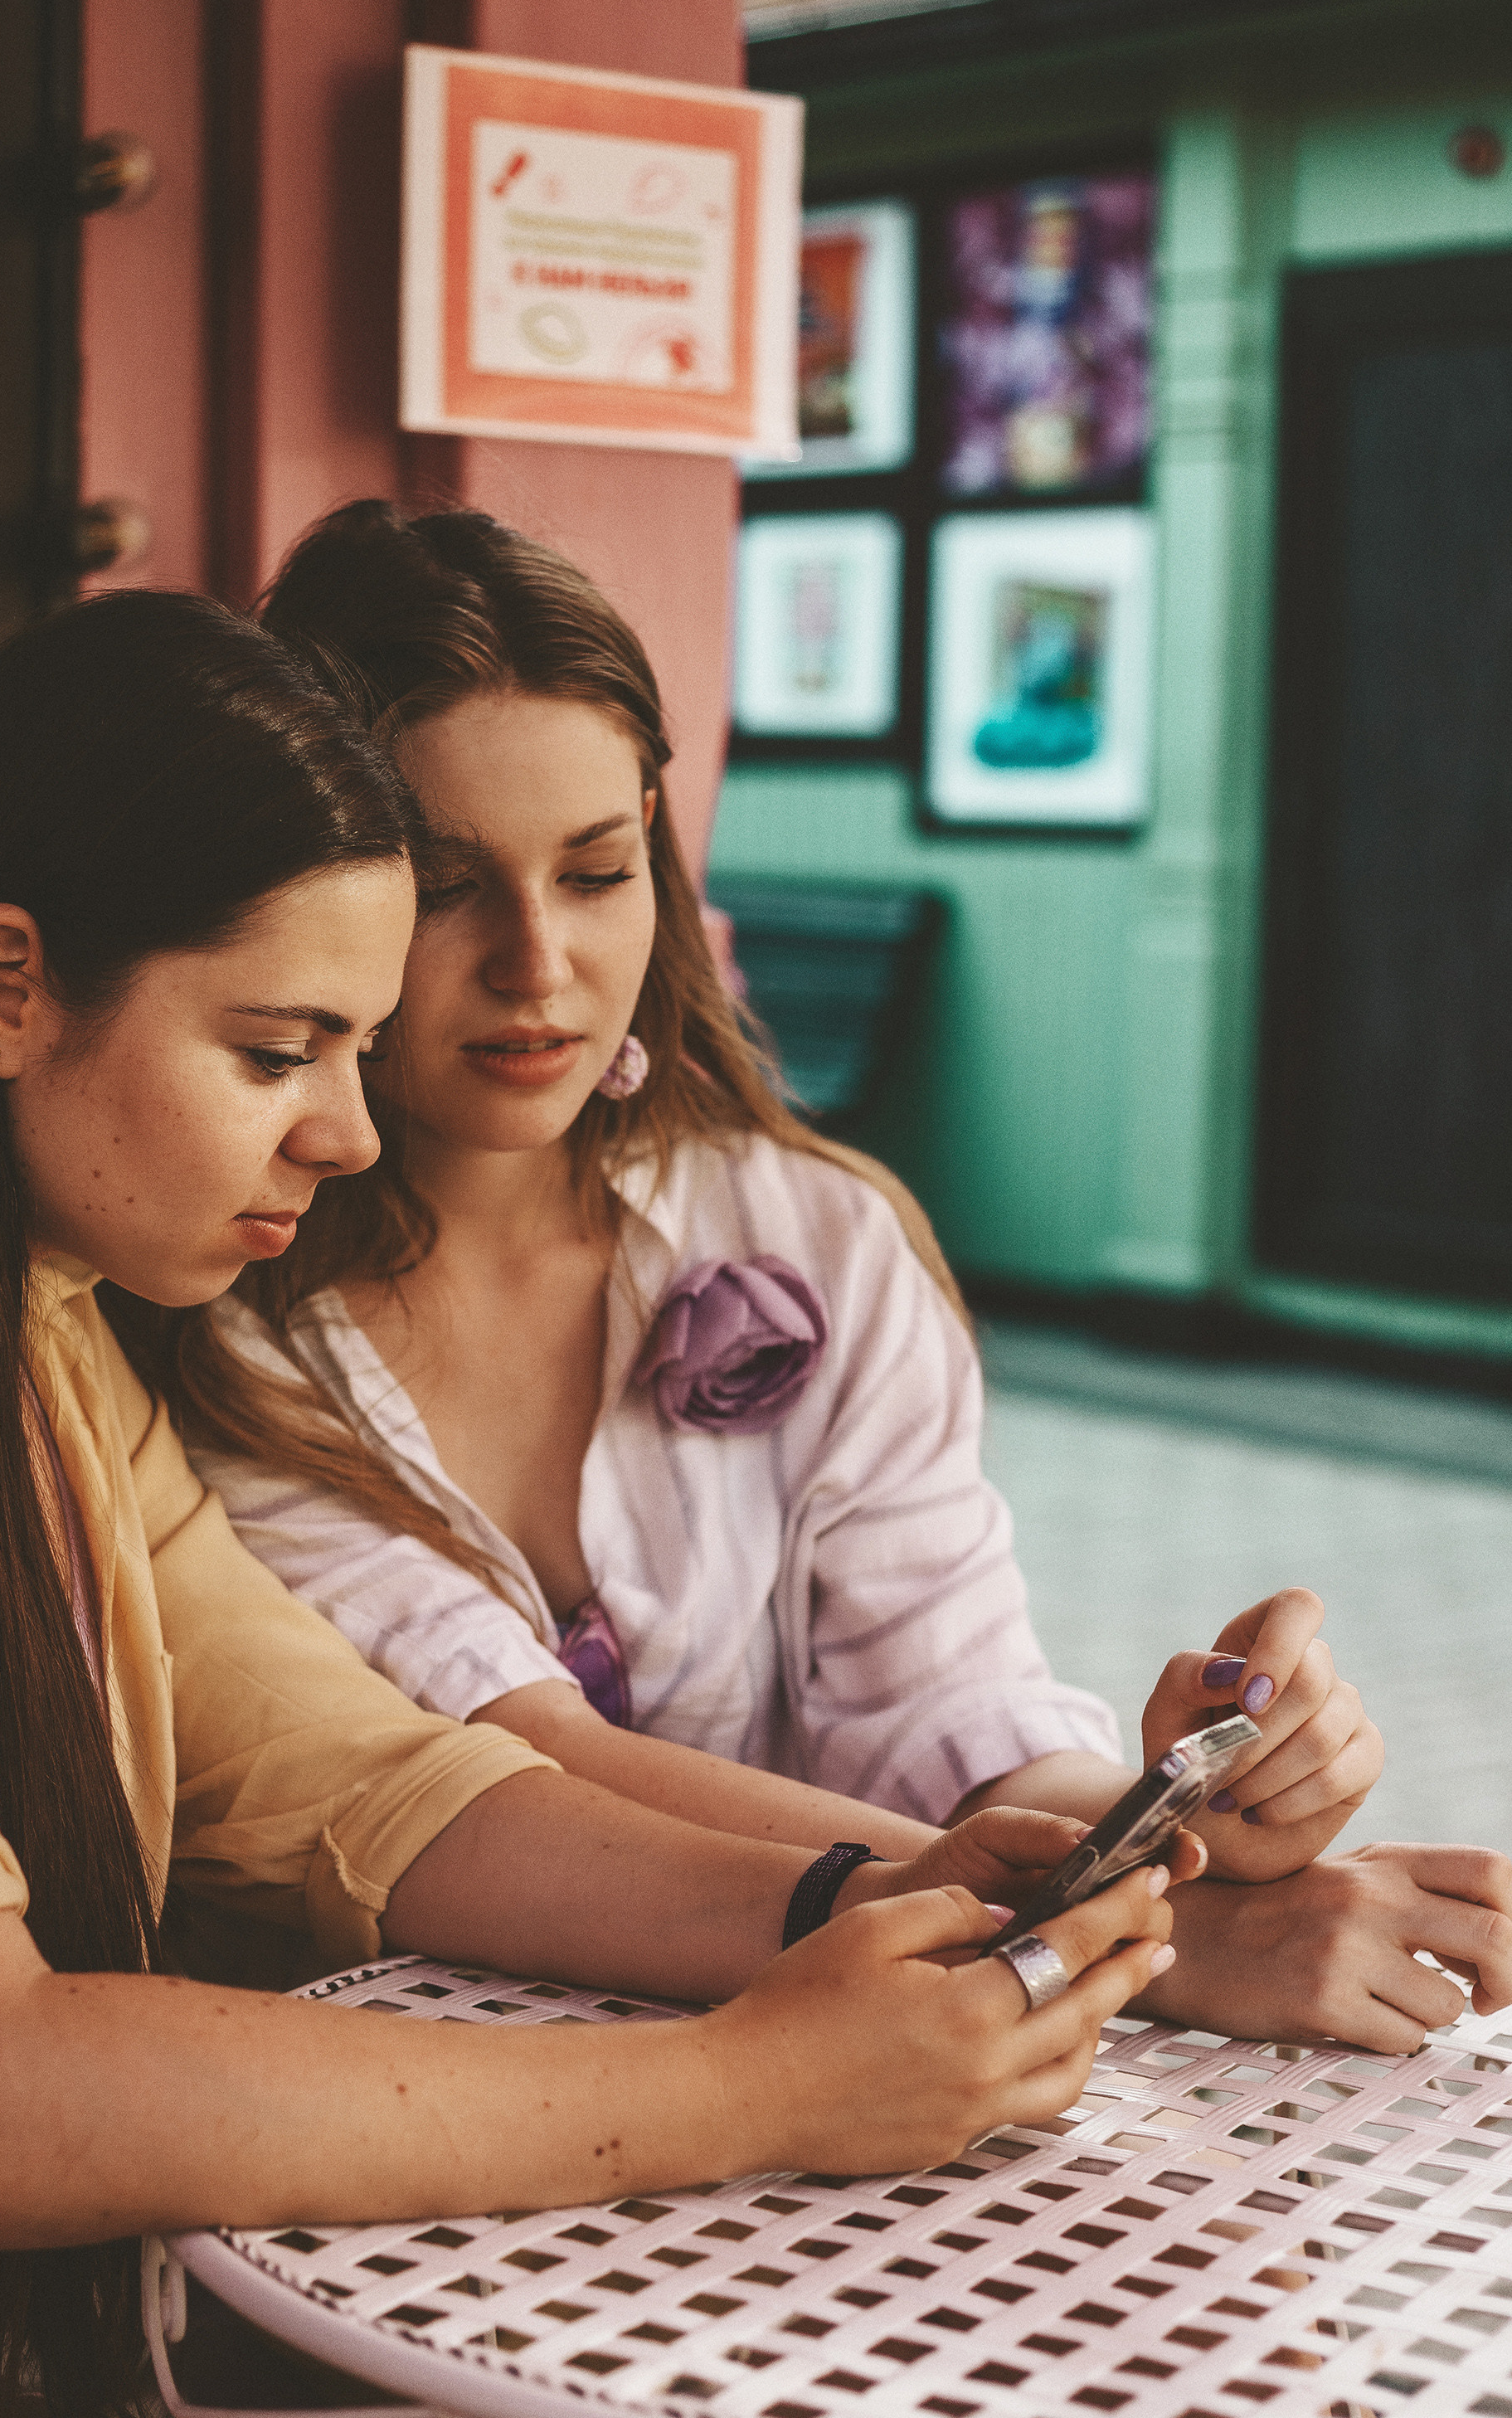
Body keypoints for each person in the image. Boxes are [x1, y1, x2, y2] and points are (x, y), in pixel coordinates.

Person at [0, 591, 1188, 2418]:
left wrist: (874, 1894)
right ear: (4, 992)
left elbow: (363, 1786)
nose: (348, 1134)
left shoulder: (25, 1317)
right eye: (274, 1051)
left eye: (350, 1053)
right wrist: (752, 2092)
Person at [173, 500, 1512, 2056]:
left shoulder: (812, 1237)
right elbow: (507, 1762)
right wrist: (1166, 1936)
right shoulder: (219, 1294)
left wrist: (1187, 1814)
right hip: (384, 2099)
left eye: (597, 872)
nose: (537, 964)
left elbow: (941, 1714)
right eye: (449, 881)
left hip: (853, 2112)